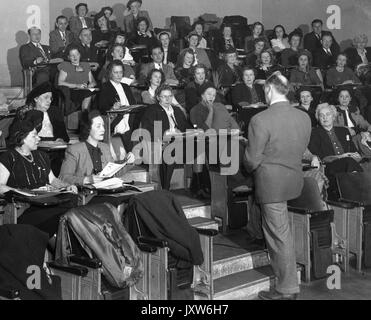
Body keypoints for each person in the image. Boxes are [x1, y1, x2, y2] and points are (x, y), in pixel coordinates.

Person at [245, 72, 311, 300]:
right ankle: (287, 284)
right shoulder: (304, 117)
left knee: (278, 237)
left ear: (270, 90)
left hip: (272, 185)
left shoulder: (260, 120)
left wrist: (249, 152)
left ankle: (286, 290)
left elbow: (252, 160)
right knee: (282, 233)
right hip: (294, 181)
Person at [0, 119, 77, 237]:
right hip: (25, 208)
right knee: (62, 217)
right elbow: (0, 186)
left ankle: (60, 247)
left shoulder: (41, 156)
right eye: (34, 136)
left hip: (46, 203)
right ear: (22, 138)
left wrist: (67, 186)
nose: (39, 138)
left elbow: (53, 180)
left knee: (72, 206)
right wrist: (26, 193)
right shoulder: (8, 157)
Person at [59, 110, 133, 186]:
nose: (103, 129)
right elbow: (63, 177)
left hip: (105, 191)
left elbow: (113, 173)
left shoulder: (105, 147)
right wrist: (87, 180)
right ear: (88, 128)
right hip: (86, 194)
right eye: (98, 126)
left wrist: (127, 162)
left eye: (103, 126)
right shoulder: (74, 150)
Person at [140, 85, 192, 189]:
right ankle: (165, 187)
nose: (167, 99)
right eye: (164, 96)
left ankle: (201, 187)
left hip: (182, 143)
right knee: (169, 152)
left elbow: (186, 127)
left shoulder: (177, 110)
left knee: (204, 146)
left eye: (169, 96)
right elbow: (147, 129)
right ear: (158, 97)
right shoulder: (153, 110)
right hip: (164, 144)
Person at [308, 104, 363, 191]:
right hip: (329, 168)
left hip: (349, 164)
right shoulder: (314, 133)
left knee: (353, 163)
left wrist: (357, 156)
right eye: (321, 115)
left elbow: (354, 151)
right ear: (318, 118)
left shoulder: (343, 131)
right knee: (348, 162)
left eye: (328, 114)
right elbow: (321, 158)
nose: (324, 118)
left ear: (333, 117)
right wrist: (341, 157)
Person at [99, 60, 136, 152]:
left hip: (130, 116)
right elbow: (101, 107)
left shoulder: (126, 86)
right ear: (110, 73)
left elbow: (133, 103)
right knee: (124, 128)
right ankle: (128, 154)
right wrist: (112, 107)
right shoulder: (105, 87)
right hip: (115, 117)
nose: (119, 75)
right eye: (116, 72)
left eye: (120, 72)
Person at [57, 46, 97, 113]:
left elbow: (93, 81)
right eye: (72, 55)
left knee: (94, 91)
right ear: (68, 57)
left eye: (77, 54)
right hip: (72, 91)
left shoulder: (86, 65)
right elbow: (60, 82)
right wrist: (77, 85)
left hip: (85, 89)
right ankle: (85, 115)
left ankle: (87, 114)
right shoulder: (65, 65)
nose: (75, 57)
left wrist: (90, 85)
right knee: (89, 93)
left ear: (80, 55)